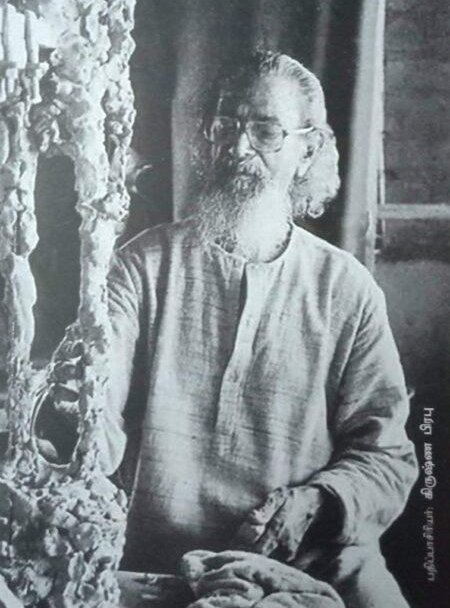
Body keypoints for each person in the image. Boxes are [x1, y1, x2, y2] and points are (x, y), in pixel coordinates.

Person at [53, 51, 418, 608]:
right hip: (156, 561)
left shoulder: (347, 288)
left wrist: (318, 504)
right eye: (226, 127)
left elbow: (387, 457)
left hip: (307, 562)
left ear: (308, 150)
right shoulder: (142, 265)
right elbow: (94, 415)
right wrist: (74, 412)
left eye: (266, 131)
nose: (239, 148)